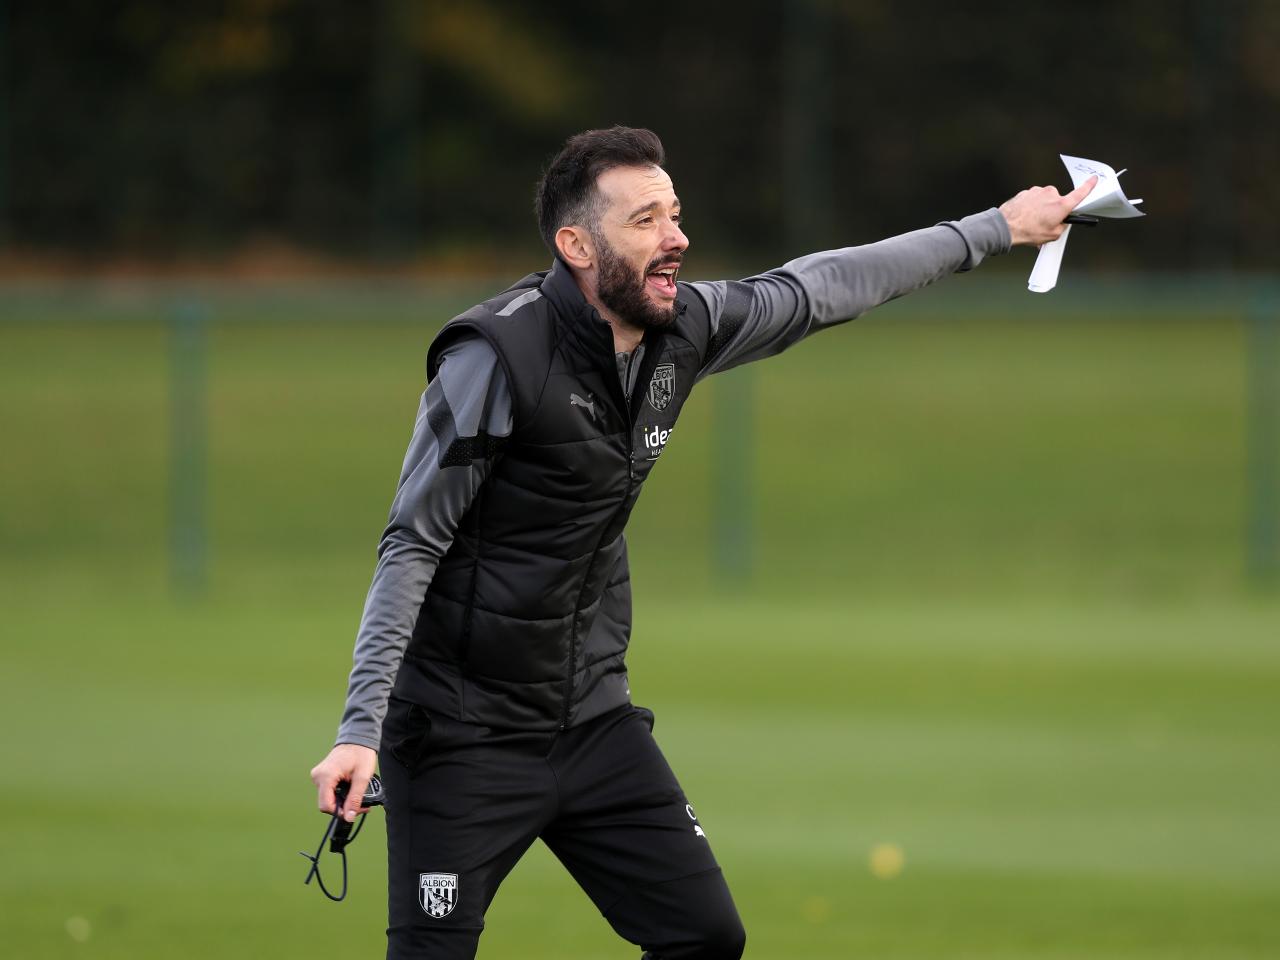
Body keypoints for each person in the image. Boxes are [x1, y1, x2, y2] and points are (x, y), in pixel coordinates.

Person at [310, 126, 1096, 959]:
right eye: (646, 220)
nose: (677, 237)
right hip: (459, 738)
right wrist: (361, 730)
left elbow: (825, 285)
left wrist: (998, 227)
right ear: (576, 244)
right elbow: (412, 544)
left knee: (706, 938)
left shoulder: (685, 328)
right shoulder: (495, 358)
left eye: (675, 215)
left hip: (589, 721)